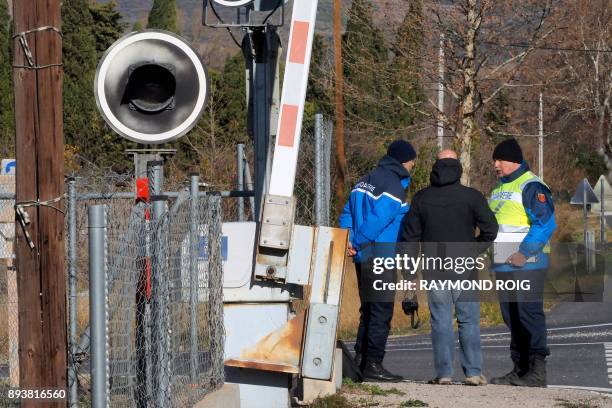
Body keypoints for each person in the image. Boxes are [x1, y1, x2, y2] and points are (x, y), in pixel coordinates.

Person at [400, 150, 498, 386]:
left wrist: (409, 273)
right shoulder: (471, 196)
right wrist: (474, 249)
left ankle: (444, 374)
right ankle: (473, 372)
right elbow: (490, 230)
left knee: (441, 320)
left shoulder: (422, 198)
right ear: (458, 169)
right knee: (468, 320)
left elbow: (410, 239)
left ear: (435, 167)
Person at [339, 139, 416, 382]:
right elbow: (378, 219)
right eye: (413, 161)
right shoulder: (393, 185)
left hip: (362, 256)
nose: (414, 165)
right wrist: (359, 240)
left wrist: (348, 240)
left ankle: (361, 361)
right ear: (405, 161)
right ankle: (374, 363)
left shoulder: (365, 179)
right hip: (381, 256)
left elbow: (347, 213)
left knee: (368, 310)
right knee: (381, 312)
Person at [488, 138, 556, 387]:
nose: (495, 164)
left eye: (499, 160)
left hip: (527, 264)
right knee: (512, 317)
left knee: (529, 314)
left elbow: (545, 224)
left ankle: (537, 371)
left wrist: (524, 253)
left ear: (513, 160)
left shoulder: (531, 185)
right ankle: (520, 368)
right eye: (494, 160)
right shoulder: (498, 189)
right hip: (503, 264)